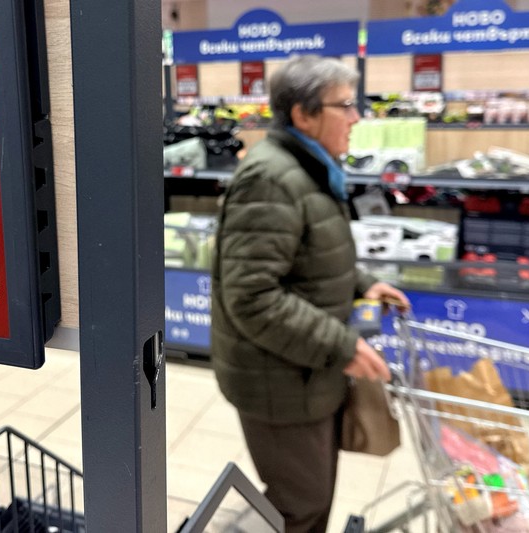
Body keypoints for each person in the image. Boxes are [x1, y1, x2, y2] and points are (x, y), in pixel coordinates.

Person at [210, 55, 409, 533]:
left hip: (304, 371)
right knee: (297, 505)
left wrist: (362, 284)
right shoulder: (271, 178)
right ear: (303, 114)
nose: (357, 116)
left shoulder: (309, 168)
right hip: (277, 378)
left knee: (313, 497)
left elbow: (306, 255)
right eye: (345, 105)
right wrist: (341, 345)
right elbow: (252, 297)